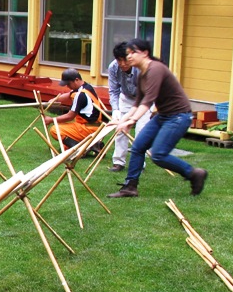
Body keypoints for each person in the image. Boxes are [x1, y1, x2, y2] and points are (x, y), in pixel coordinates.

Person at [108, 37, 207, 199]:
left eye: (133, 52)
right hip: (163, 116)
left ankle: (194, 173)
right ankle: (130, 187)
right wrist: (125, 120)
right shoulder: (142, 75)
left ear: (145, 53)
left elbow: (148, 101)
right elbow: (137, 102)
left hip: (179, 116)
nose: (129, 56)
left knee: (159, 155)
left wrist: (132, 121)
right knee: (139, 147)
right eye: (128, 53)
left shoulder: (156, 69)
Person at [42, 68, 107, 156]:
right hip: (94, 126)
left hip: (87, 129)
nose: (67, 86)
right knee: (65, 140)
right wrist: (54, 100)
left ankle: (80, 150)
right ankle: (90, 144)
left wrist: (51, 120)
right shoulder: (87, 87)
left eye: (68, 84)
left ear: (76, 80)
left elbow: (70, 116)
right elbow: (69, 94)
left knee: (55, 130)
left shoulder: (80, 95)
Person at [106, 42, 149, 172]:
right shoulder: (113, 67)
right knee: (120, 129)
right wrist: (116, 110)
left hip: (144, 100)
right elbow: (113, 91)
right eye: (120, 60)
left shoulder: (141, 68)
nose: (123, 64)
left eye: (125, 60)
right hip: (125, 98)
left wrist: (133, 117)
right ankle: (118, 162)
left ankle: (139, 164)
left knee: (141, 131)